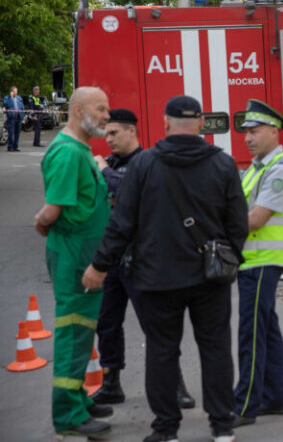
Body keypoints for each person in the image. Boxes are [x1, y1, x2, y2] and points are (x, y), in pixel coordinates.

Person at [83, 95, 248, 442]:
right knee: (216, 349)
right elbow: (238, 224)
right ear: (202, 124)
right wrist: (228, 257)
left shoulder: (145, 165)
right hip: (210, 276)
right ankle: (222, 428)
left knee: (162, 351)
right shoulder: (223, 163)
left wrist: (100, 265)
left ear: (165, 123)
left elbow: (122, 224)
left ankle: (166, 431)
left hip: (158, 277)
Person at [89, 109, 196, 410]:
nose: (107, 140)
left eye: (114, 133)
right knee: (107, 325)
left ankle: (175, 386)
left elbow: (127, 194)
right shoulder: (108, 163)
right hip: (111, 260)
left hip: (141, 260)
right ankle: (111, 385)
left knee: (156, 327)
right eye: (105, 134)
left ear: (132, 131)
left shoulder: (149, 163)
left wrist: (104, 174)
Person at [33, 86, 113, 439]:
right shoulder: (67, 153)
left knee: (82, 333)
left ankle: (78, 398)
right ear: (78, 110)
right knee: (73, 333)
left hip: (84, 255)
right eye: (101, 109)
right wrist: (40, 222)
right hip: (74, 257)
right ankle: (68, 414)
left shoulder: (81, 150)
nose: (107, 116)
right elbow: (52, 210)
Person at [232, 100, 283, 429]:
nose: (247, 137)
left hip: (263, 262)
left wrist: (216, 229)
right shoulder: (258, 166)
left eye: (254, 131)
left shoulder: (280, 168)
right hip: (253, 260)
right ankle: (277, 398)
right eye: (245, 131)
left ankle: (245, 404)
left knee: (252, 334)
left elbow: (256, 219)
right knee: (266, 330)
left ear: (275, 131)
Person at [3, 86, 24, 151]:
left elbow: (22, 107)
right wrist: (11, 98)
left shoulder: (19, 98)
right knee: (11, 133)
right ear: (11, 91)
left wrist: (22, 115)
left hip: (18, 117)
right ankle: (10, 147)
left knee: (17, 133)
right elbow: (7, 105)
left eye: (16, 91)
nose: (16, 92)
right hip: (11, 118)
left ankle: (16, 146)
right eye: (14, 91)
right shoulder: (7, 98)